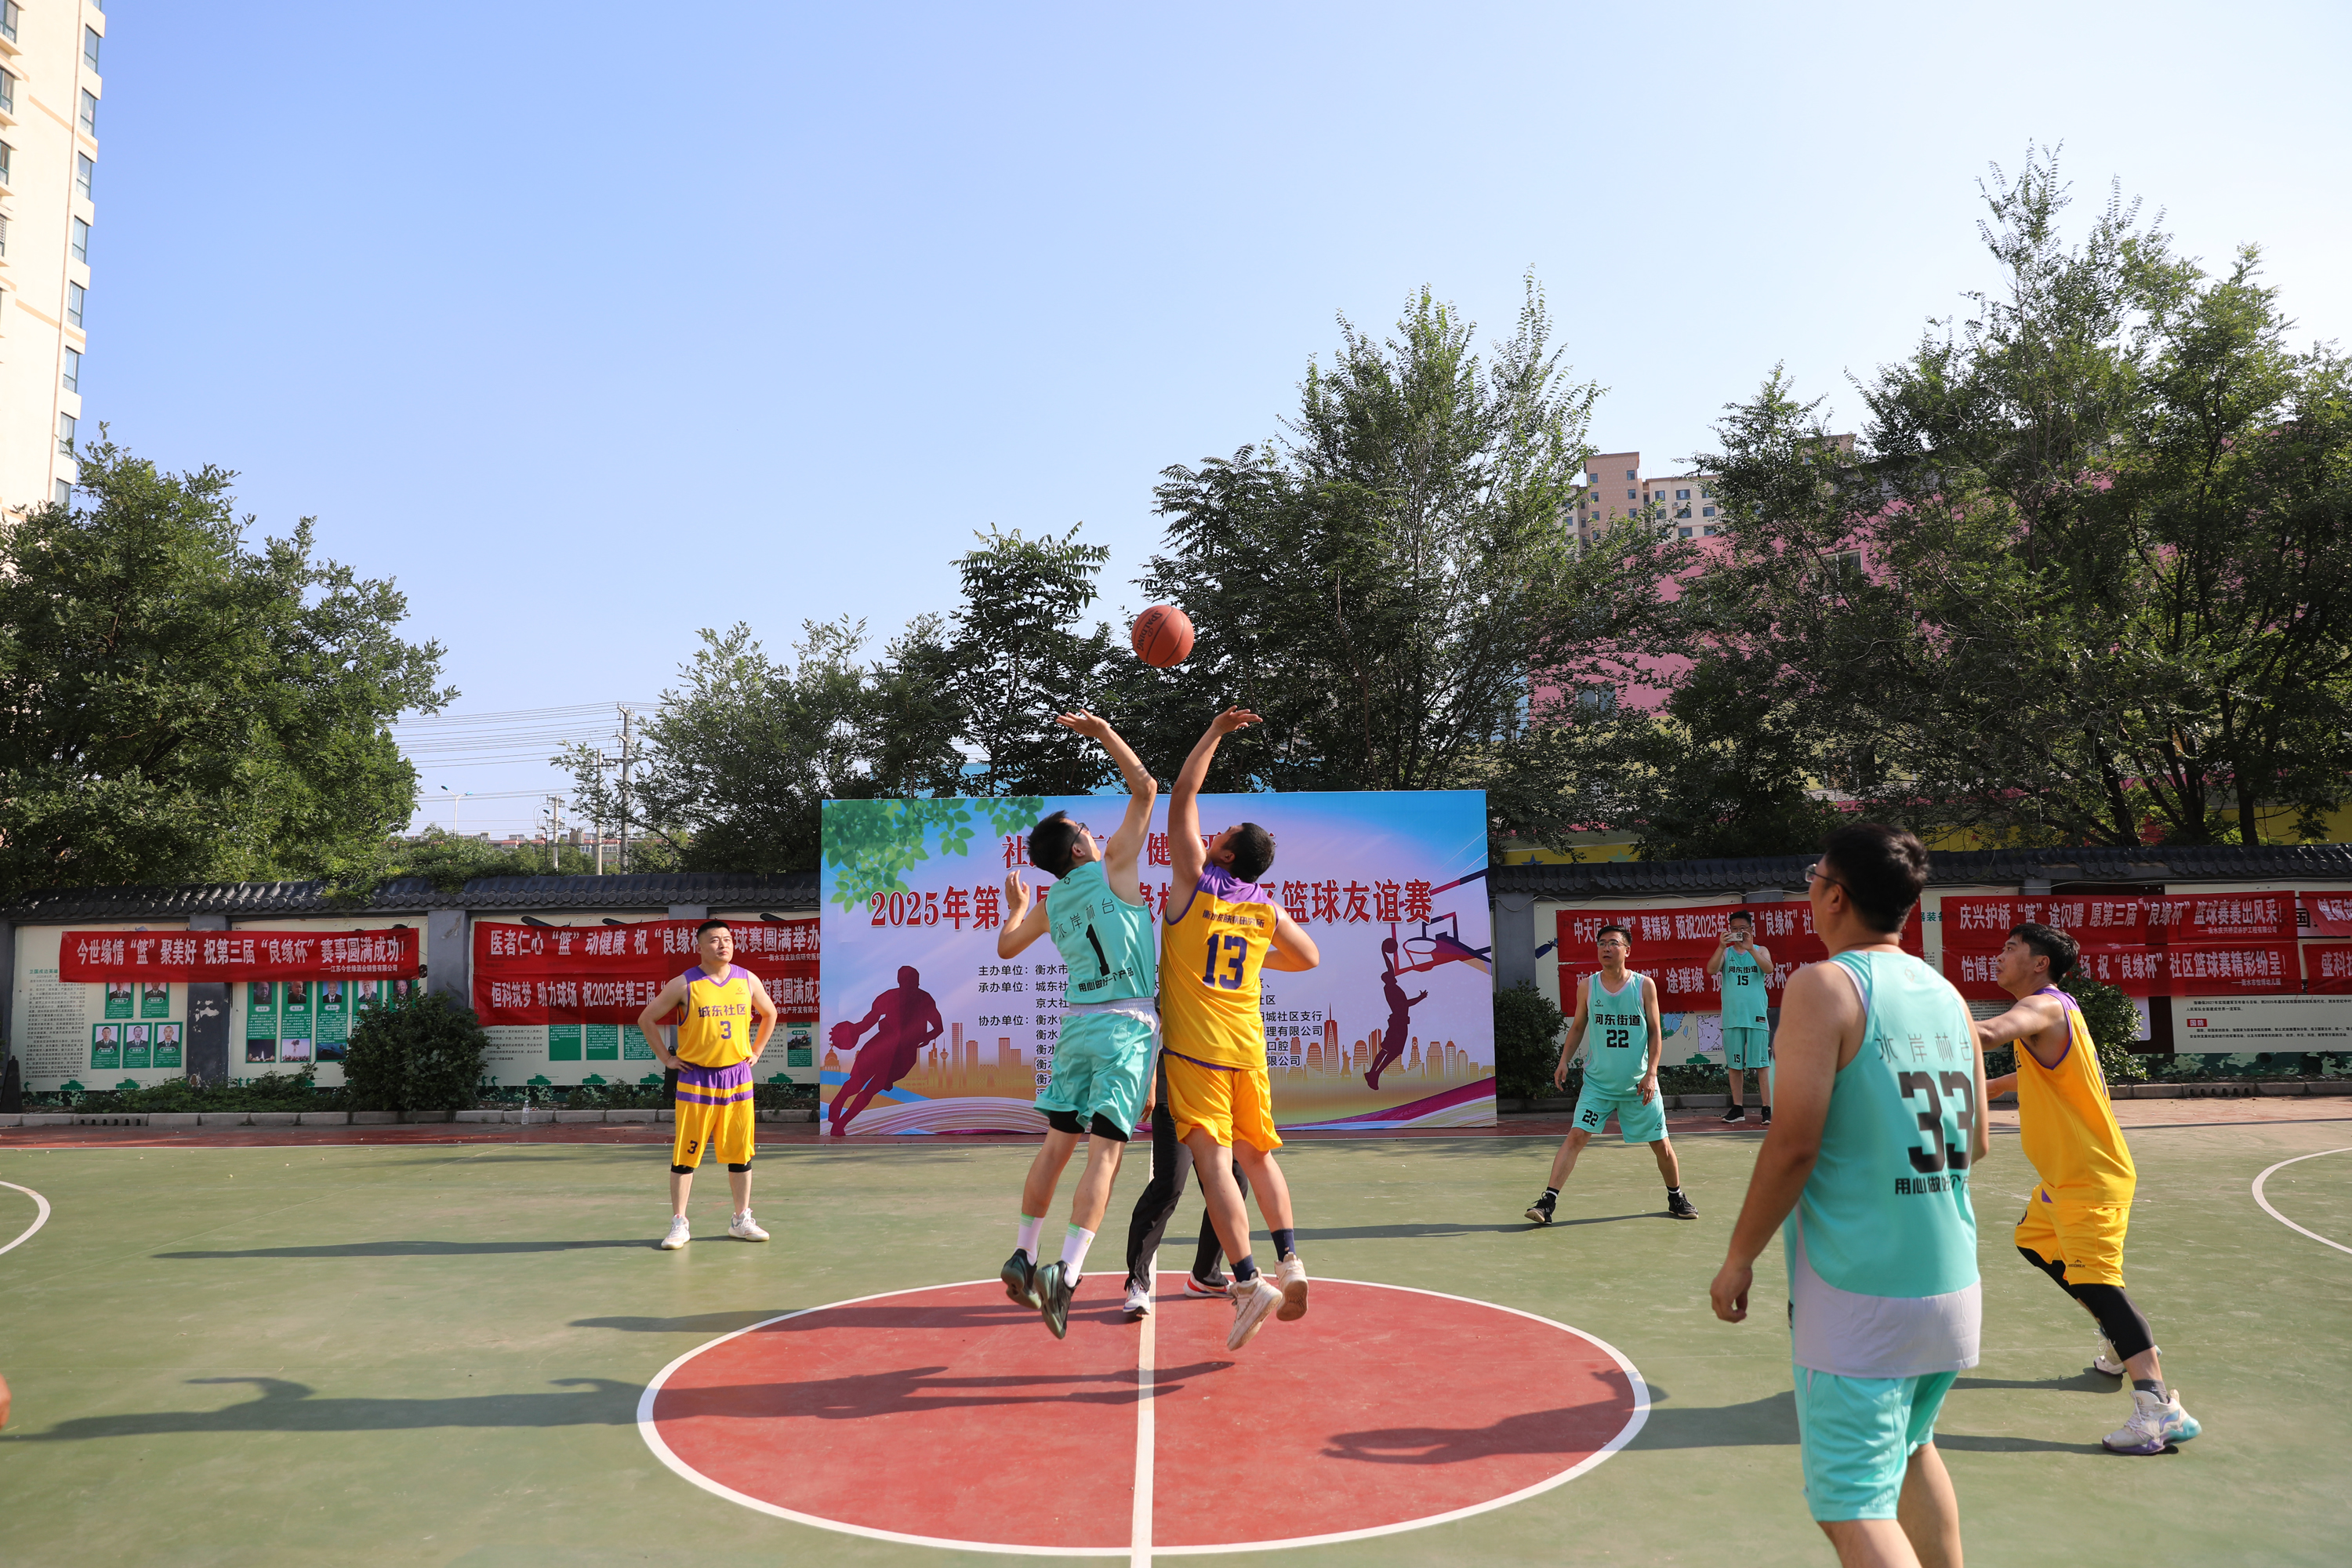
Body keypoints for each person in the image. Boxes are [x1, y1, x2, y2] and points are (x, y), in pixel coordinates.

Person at [1709, 825, 1987, 1568]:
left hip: (1860, 1291)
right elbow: (1979, 1143)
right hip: (1949, 1276)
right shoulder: (1946, 992)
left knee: (1852, 1506)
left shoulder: (1825, 985)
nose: (1808, 888)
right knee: (1915, 1449)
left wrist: (1739, 1257)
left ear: (1835, 896)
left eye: (1814, 876)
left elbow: (1793, 1144)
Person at [1973, 923, 2199, 1456]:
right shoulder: (2054, 1016)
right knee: (2034, 1243)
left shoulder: (2044, 1007)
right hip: (2065, 1177)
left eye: (2010, 948)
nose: (1999, 955)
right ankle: (2121, 1342)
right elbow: (2034, 1076)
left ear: (2040, 963)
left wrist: (1918, 1014)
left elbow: (1988, 1034)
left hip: (2088, 1177)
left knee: (2098, 1284)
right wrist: (1984, 1088)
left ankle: (2158, 1409)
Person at [993, 713, 1162, 1338]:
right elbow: (1146, 787)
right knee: (1106, 1156)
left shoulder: (1049, 903)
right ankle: (1065, 1273)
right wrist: (1105, 734)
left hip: (1075, 1030)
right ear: (1080, 850)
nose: (1097, 834)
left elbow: (1007, 946)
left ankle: (1023, 1251)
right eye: (1088, 832)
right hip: (1126, 1027)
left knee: (1056, 1145)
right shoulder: (1114, 868)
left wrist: (1016, 908)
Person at [1157, 706, 1321, 1350]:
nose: (1209, 830)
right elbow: (1309, 957)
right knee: (1258, 1155)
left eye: (1219, 831)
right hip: (1248, 1048)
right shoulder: (1264, 910)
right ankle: (1290, 1260)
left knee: (1214, 1163)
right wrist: (1256, 956)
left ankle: (1249, 1281)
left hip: (1196, 1051)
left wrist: (1215, 732)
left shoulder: (1194, 884)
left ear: (1223, 853)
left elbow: (1182, 793)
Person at [1525, 924, 1697, 1225]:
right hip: (1598, 1085)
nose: (1606, 948)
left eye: (1613, 943)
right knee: (1576, 1136)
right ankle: (1547, 1203)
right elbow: (1578, 1026)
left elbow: (1655, 1032)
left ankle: (1676, 1197)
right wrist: (1564, 1060)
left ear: (1627, 950)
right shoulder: (1588, 986)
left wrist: (1652, 1073)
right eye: (1602, 943)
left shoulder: (1644, 986)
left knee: (1661, 1144)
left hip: (1638, 1085)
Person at [637, 919, 779, 1250]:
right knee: (686, 1155)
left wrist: (756, 1050)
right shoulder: (684, 984)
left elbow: (769, 1013)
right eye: (714, 940)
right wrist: (667, 1058)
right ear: (699, 947)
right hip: (696, 1079)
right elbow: (646, 1018)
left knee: (740, 1153)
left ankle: (741, 1219)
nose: (723, 944)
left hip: (737, 1078)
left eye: (727, 939)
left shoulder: (747, 979)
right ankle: (679, 1223)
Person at [1119, 1050, 1250, 1319]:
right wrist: (1151, 1083)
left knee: (1234, 1182)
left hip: (1213, 1097)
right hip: (1173, 1095)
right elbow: (1153, 1034)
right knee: (1169, 1184)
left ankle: (1206, 1275)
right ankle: (1138, 1281)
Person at [826, 967, 945, 1134]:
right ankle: (837, 1110)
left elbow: (938, 1028)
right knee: (858, 1086)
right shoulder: (894, 997)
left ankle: (840, 1123)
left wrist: (925, 1037)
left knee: (869, 1090)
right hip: (882, 1048)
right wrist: (851, 1032)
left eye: (913, 981)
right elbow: (867, 1023)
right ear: (901, 981)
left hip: (900, 1055)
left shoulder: (922, 999)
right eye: (908, 981)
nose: (911, 985)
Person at [1709, 910, 1778, 1124]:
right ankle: (1738, 1108)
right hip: (1733, 1017)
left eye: (1743, 929)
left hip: (1756, 1016)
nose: (1739, 932)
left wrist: (1750, 948)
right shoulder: (1726, 953)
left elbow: (1769, 969)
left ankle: (1767, 1108)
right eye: (1734, 929)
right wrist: (1721, 946)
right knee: (1735, 1065)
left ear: (1751, 929)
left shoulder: (1760, 950)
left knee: (1762, 1064)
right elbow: (1711, 970)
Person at [1365, 938, 1428, 1091]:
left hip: (1401, 1022)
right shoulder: (1390, 988)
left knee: (1393, 1051)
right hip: (1398, 1022)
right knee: (1389, 1050)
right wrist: (1419, 998)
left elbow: (1390, 968)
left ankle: (1374, 1073)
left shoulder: (1392, 986)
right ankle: (1374, 1073)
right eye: (1390, 975)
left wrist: (1384, 953)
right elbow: (1405, 1004)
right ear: (1387, 979)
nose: (1393, 975)